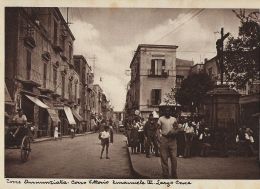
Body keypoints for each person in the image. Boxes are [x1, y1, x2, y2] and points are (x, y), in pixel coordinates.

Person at [158, 106, 180, 179]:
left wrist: (174, 132)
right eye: (166, 111)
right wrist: (159, 138)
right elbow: (157, 129)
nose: (167, 112)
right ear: (164, 112)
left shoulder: (173, 119)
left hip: (173, 140)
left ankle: (174, 174)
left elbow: (177, 128)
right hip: (164, 139)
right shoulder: (161, 119)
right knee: (164, 158)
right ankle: (165, 174)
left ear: (171, 112)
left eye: (169, 111)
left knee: (174, 158)